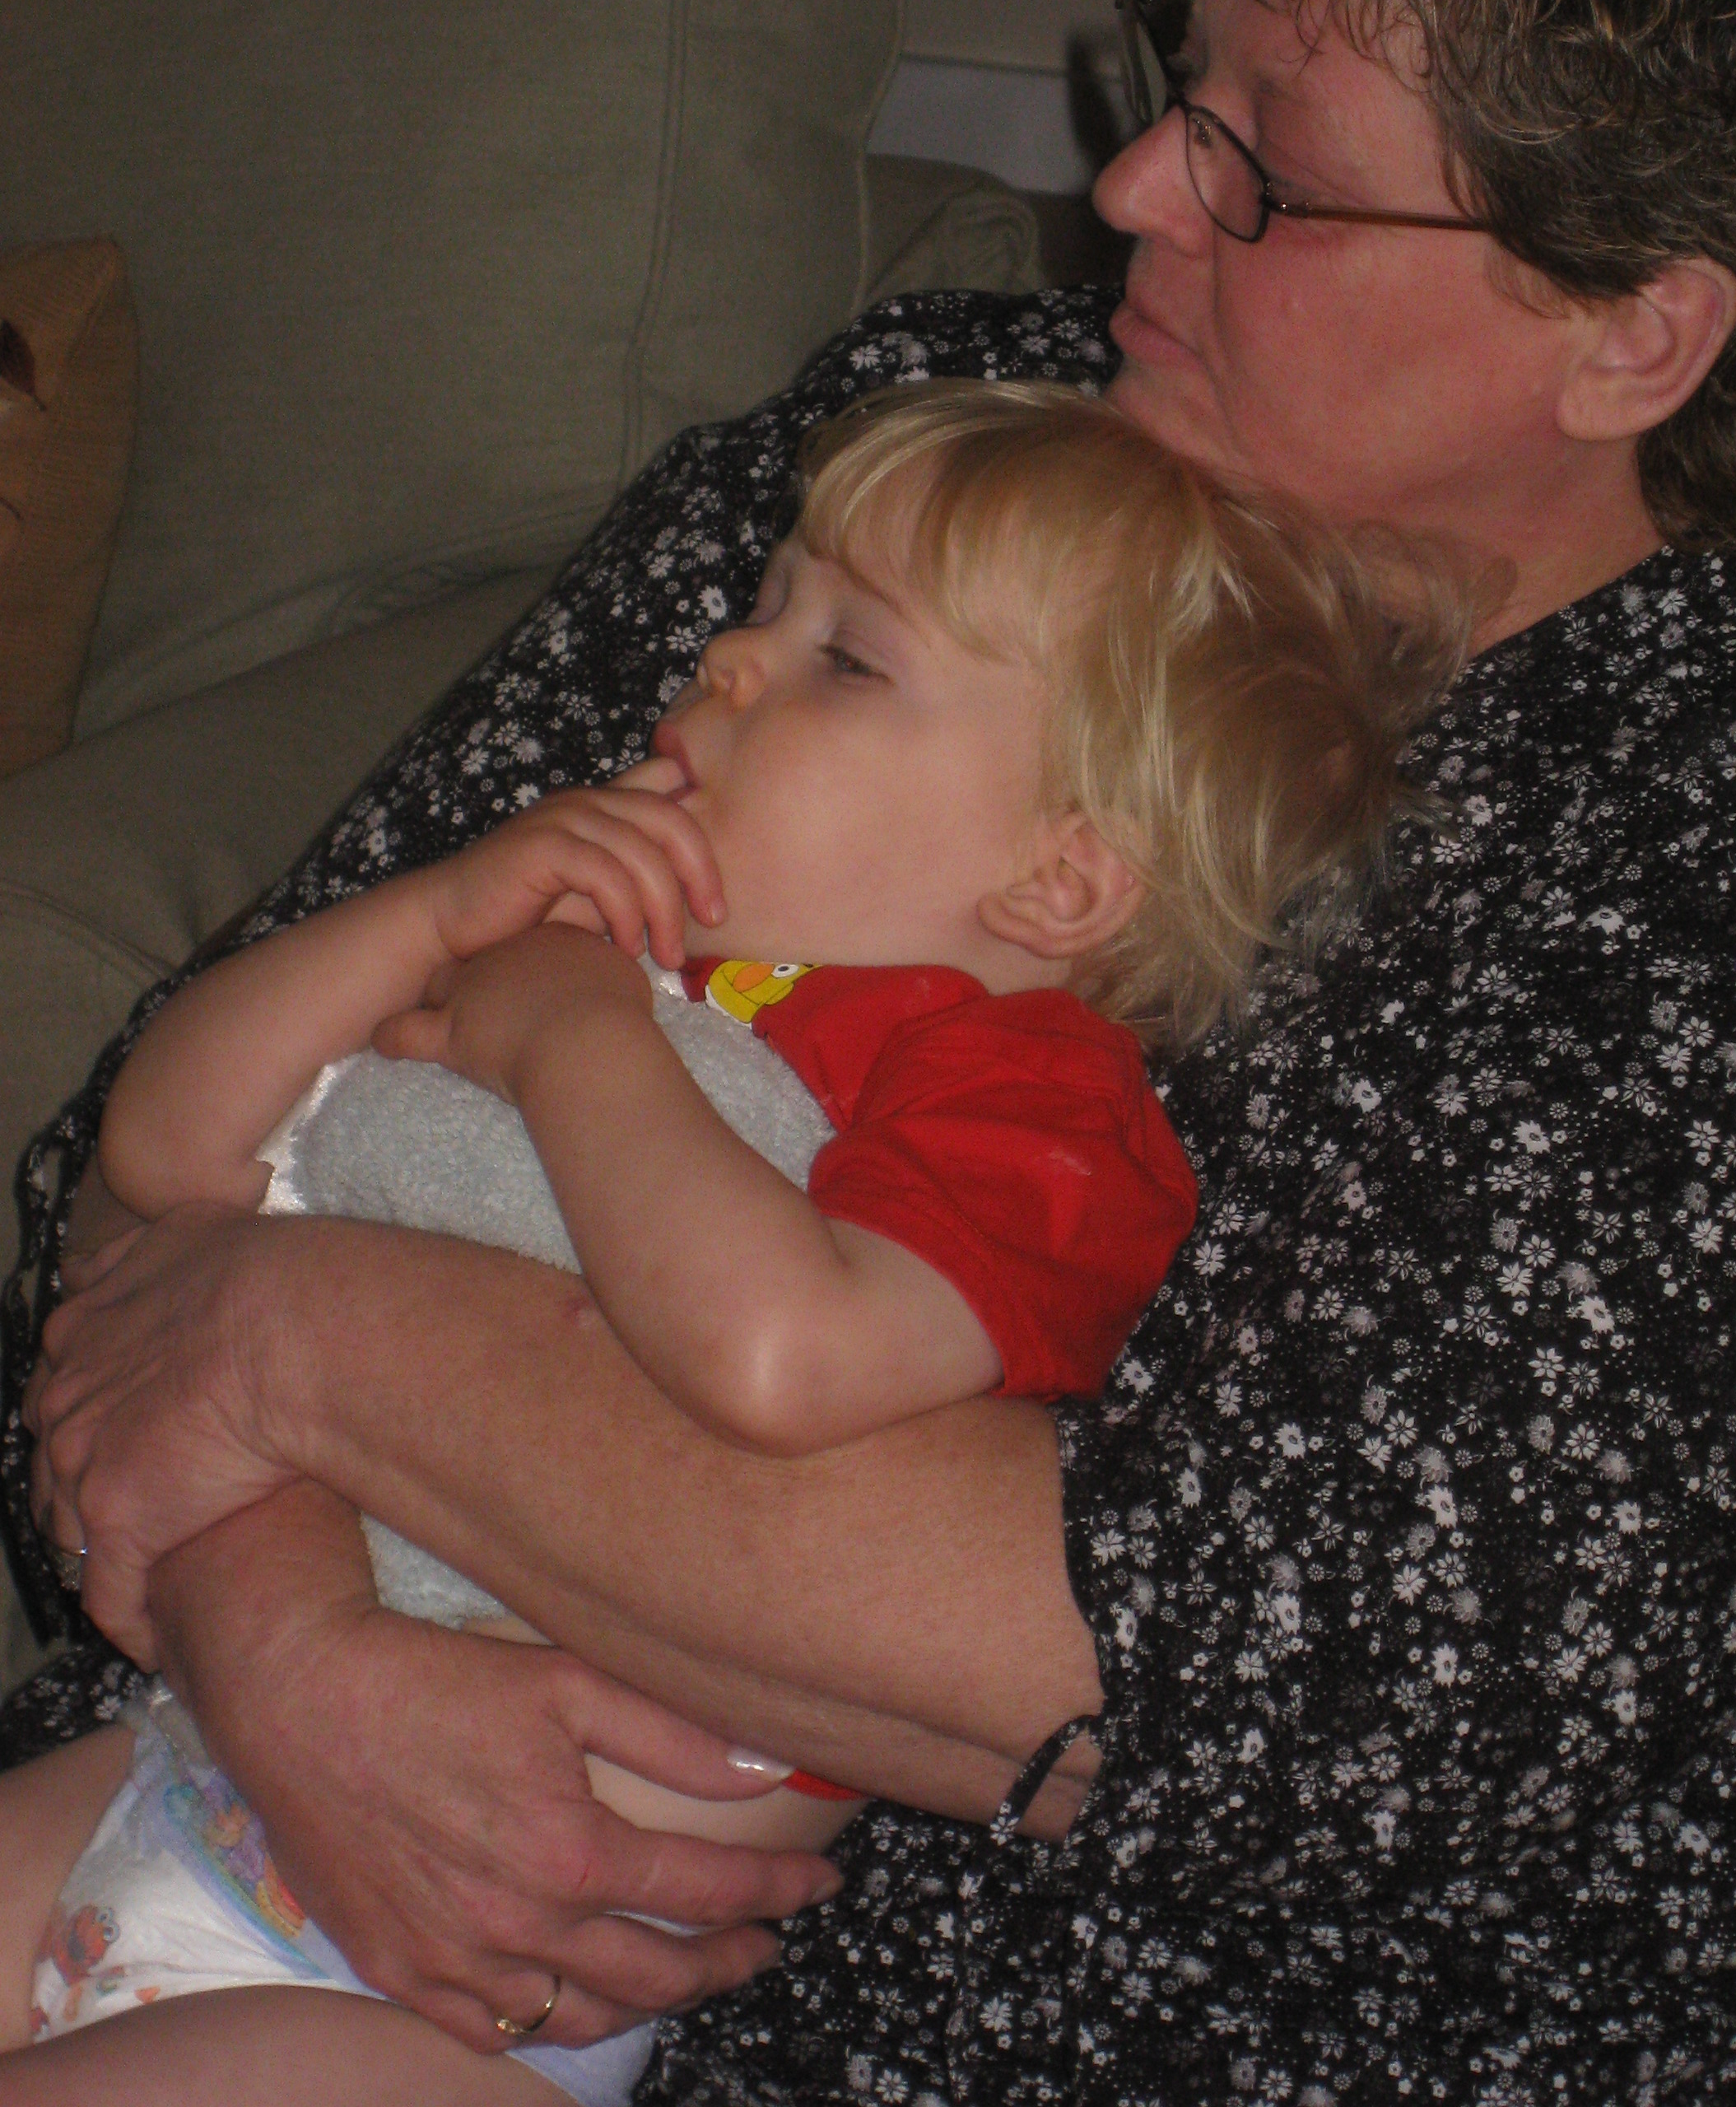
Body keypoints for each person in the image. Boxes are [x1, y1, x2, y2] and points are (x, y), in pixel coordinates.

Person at [9, 0, 1736, 2103]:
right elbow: (169, 1169)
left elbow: (1235, 1672)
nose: (1139, 188)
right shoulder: (938, 456)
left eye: (1266, 167)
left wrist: (297, 1350)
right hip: (260, 1818)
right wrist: (295, 1653)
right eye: (1177, 81)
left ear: (1630, 333)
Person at [0, 381, 1441, 2103]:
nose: (729, 657)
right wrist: (440, 917)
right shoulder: (609, 936)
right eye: (766, 601)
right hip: (173, 1774)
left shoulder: (1032, 1099)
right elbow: (169, 1156)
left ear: (1062, 880)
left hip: (434, 2004)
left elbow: (783, 1358)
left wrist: (564, 1033)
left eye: (849, 657)